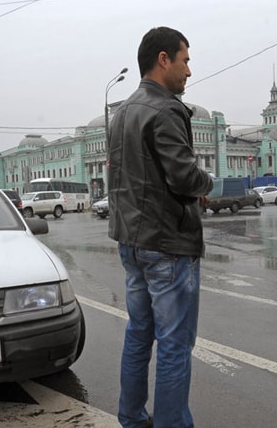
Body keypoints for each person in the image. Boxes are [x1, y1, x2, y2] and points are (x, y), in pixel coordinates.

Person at [108, 26, 214, 428]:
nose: (189, 70)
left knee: (139, 334)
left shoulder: (123, 111)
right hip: (168, 243)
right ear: (164, 59)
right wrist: (206, 186)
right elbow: (184, 177)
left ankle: (132, 417)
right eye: (185, 60)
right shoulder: (167, 109)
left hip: (132, 241)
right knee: (174, 344)